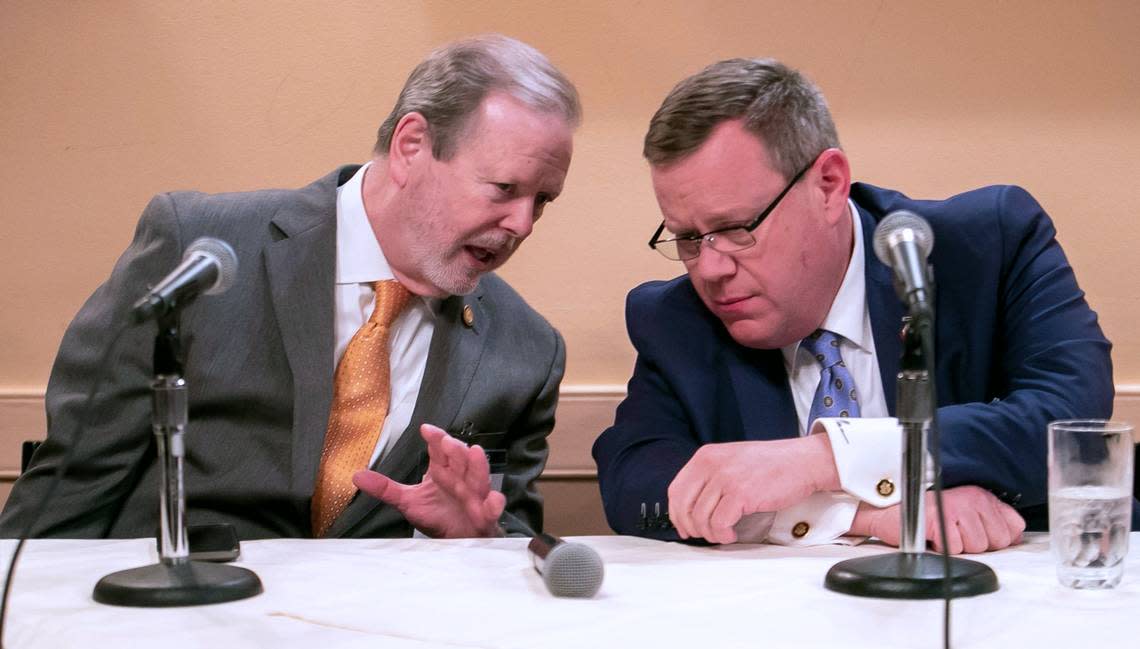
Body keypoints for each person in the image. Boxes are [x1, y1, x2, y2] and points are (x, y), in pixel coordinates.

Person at [0, 35, 580, 540]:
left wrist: (475, 539)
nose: (523, 225)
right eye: (504, 188)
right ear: (411, 146)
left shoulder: (526, 351)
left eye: (543, 201)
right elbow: (73, 486)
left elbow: (511, 538)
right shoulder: (199, 250)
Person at [593, 57, 1135, 554]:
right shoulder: (675, 318)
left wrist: (820, 460)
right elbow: (634, 484)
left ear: (829, 185)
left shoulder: (986, 246)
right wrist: (863, 513)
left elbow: (1067, 418)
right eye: (688, 238)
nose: (709, 268)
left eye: (735, 229)